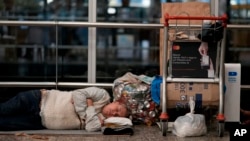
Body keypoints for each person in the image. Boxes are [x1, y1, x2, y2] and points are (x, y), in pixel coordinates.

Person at [0, 87, 128, 131]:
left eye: (117, 115)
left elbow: (90, 128)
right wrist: (86, 116)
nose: (114, 112)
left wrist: (89, 106)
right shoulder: (102, 95)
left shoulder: (102, 122)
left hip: (38, 121)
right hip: (37, 100)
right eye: (117, 108)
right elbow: (79, 93)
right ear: (115, 101)